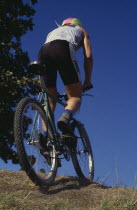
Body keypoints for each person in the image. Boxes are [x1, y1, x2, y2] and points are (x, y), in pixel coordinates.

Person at [38, 18, 93, 135]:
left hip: (43, 51)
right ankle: (65, 117)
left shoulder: (53, 31)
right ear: (77, 24)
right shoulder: (82, 31)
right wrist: (87, 81)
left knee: (49, 100)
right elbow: (88, 57)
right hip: (62, 48)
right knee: (75, 97)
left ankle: (47, 137)